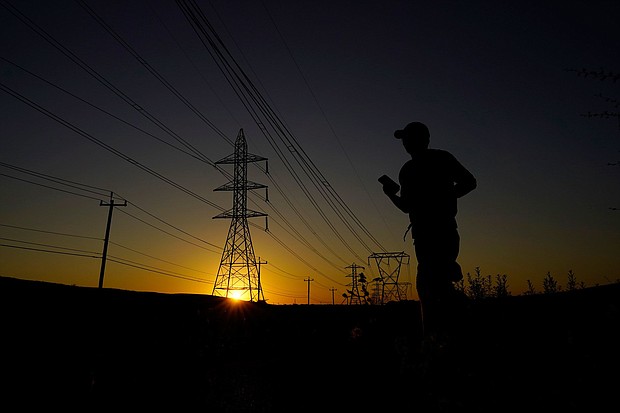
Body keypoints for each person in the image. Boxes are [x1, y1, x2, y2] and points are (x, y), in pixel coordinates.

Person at [380, 121, 477, 350]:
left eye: (407, 138)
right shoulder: (407, 170)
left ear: (421, 139)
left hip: (441, 230)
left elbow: (469, 182)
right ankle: (447, 338)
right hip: (423, 235)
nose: (404, 143)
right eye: (403, 139)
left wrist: (446, 197)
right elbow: (406, 206)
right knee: (433, 287)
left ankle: (438, 343)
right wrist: (390, 195)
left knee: (430, 286)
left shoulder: (440, 159)